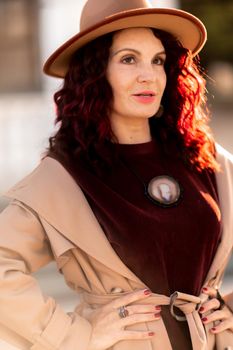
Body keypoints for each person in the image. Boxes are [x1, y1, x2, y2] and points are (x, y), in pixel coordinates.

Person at [0, 0, 232, 349]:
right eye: (128, 59)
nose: (148, 75)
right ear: (94, 73)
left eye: (158, 60)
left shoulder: (208, 159)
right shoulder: (62, 179)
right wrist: (75, 336)